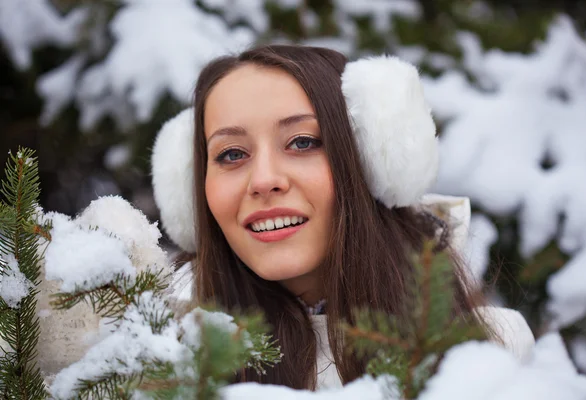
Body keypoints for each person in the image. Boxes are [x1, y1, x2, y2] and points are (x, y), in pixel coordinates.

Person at [151, 44, 535, 390]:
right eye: (232, 154)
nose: (265, 180)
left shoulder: (492, 353)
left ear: (368, 161)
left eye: (302, 142)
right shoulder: (160, 359)